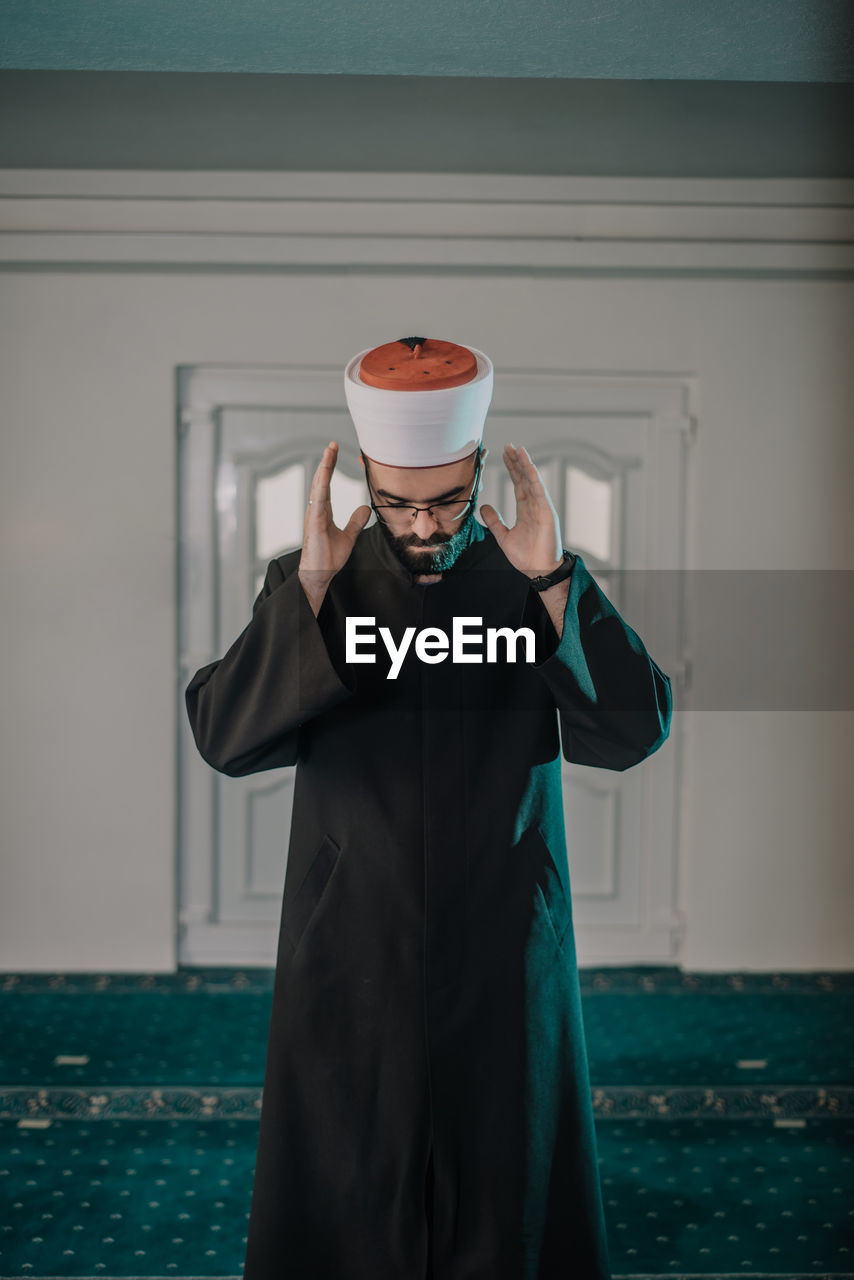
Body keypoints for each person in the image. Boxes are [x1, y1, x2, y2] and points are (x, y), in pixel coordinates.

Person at [185, 336, 673, 1280]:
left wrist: (553, 582)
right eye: (398, 501)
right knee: (346, 1172)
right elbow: (225, 738)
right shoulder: (310, 580)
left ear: (479, 471)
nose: (420, 523)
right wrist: (317, 592)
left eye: (445, 500)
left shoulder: (529, 578)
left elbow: (632, 729)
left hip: (503, 928)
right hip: (351, 933)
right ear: (366, 477)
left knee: (506, 1173)